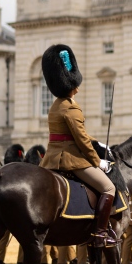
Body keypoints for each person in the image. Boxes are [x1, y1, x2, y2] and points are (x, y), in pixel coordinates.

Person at [37, 44, 117, 249]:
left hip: (51, 158)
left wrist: (98, 143)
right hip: (70, 158)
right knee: (109, 187)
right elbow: (80, 141)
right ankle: (100, 233)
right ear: (69, 83)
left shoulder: (55, 106)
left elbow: (76, 135)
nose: (77, 88)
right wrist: (98, 161)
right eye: (75, 85)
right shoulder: (72, 108)